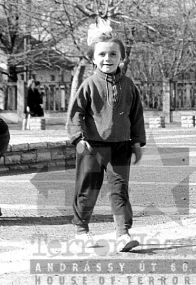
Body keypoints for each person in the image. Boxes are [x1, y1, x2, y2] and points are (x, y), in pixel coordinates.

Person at [66, 18, 146, 253]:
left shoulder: (129, 85)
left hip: (120, 147)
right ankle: (81, 231)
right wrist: (79, 139)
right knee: (87, 189)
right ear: (93, 58)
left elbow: (136, 115)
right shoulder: (89, 85)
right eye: (102, 54)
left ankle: (123, 233)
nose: (107, 59)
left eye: (113, 54)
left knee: (119, 190)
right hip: (92, 148)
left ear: (122, 58)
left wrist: (138, 143)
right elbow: (75, 113)